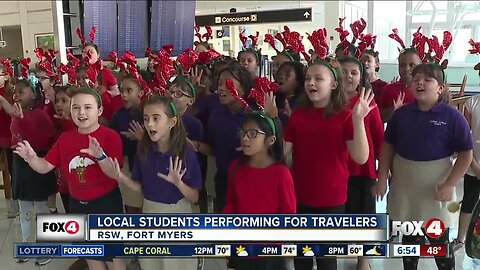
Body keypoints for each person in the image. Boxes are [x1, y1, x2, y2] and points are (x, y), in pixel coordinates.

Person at [374, 63, 473, 270]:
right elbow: (387, 147)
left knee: (439, 242)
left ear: (440, 88)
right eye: (416, 78)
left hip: (435, 189)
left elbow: (466, 153)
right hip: (405, 187)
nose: (420, 82)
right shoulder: (401, 115)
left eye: (427, 79)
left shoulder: (452, 116)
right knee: (410, 241)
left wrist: (449, 184)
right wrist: (382, 178)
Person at [14, 87, 126, 270]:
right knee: (92, 256)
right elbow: (45, 167)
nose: (81, 112)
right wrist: (31, 158)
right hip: (77, 204)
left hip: (105, 205)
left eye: (87, 107)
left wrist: (100, 156)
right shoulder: (66, 139)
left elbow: (114, 174)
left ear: (99, 110)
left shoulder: (109, 136)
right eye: (76, 107)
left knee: (112, 257)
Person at [284, 57, 373, 270]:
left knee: (326, 258)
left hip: (332, 198)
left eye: (318, 78)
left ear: (333, 85)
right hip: (300, 195)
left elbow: (361, 157)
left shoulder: (345, 116)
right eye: (307, 79)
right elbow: (284, 154)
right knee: (302, 256)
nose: (311, 83)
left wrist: (359, 120)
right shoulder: (298, 115)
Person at [110, 94, 201, 270]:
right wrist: (121, 178)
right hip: (150, 212)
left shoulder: (184, 152)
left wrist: (178, 183)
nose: (149, 124)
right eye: (145, 119)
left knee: (175, 264)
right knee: (152, 262)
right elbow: (141, 188)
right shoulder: (144, 150)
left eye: (156, 118)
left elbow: (195, 197)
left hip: (176, 216)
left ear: (172, 122)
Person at [224, 111, 296, 270]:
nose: (244, 138)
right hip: (241, 247)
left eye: (252, 134)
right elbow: (231, 203)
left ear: (270, 140)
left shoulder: (281, 174)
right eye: (242, 132)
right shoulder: (235, 168)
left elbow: (288, 215)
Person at [339, 56, 383, 270]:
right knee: (342, 216)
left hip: (363, 172)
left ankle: (363, 259)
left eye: (353, 72)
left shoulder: (368, 102)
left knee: (364, 216)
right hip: (336, 173)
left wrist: (383, 172)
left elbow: (379, 138)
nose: (348, 76)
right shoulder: (328, 103)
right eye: (343, 71)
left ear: (361, 78)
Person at [193, 62, 254, 212]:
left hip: (251, 182)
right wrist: (196, 145)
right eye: (219, 84)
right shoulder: (216, 116)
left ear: (244, 88)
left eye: (228, 84)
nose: (221, 88)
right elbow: (214, 149)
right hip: (223, 181)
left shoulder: (254, 118)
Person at [9, 76, 56, 266]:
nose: (17, 95)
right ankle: (27, 244)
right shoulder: (16, 114)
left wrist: (21, 121)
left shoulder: (40, 115)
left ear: (34, 94)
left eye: (22, 91)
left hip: (37, 166)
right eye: (16, 91)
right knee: (25, 209)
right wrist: (18, 120)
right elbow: (15, 139)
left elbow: (41, 142)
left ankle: (47, 247)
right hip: (21, 167)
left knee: (42, 209)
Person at [110, 75, 144, 214]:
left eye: (129, 91)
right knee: (131, 204)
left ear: (140, 93)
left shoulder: (149, 112)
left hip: (149, 164)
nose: (124, 95)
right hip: (128, 165)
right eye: (121, 90)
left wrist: (142, 138)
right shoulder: (118, 116)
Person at [379, 48, 421, 122]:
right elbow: (379, 118)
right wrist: (393, 110)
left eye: (412, 65)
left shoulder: (425, 90)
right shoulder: (389, 89)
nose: (406, 68)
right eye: (402, 65)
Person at [0, 62, 17, 218]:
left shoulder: (10, 92)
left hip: (8, 136)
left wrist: (3, 101)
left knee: (12, 170)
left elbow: (14, 114)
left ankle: (14, 201)